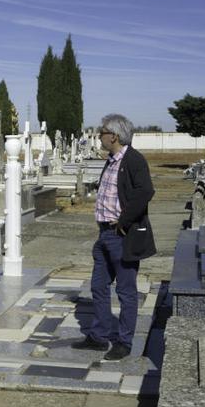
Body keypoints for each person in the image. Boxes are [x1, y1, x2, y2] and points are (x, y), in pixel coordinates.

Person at [72, 114, 156, 361]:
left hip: (122, 236)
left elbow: (145, 192)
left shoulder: (134, 160)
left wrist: (124, 221)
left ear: (114, 136)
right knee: (99, 285)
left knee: (126, 291)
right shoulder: (111, 160)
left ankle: (124, 341)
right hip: (104, 235)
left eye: (102, 131)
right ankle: (98, 337)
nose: (99, 135)